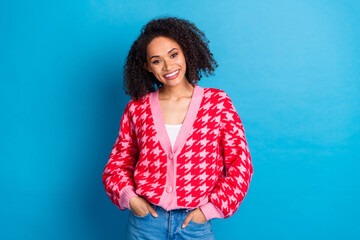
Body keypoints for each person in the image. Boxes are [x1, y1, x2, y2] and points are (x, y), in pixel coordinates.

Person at [102, 16, 254, 240]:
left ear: (186, 52)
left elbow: (240, 164)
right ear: (147, 66)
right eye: (156, 60)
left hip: (193, 224)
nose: (168, 66)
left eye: (173, 55)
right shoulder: (138, 108)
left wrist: (209, 211)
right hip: (145, 224)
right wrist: (130, 198)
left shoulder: (217, 103)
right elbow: (117, 165)